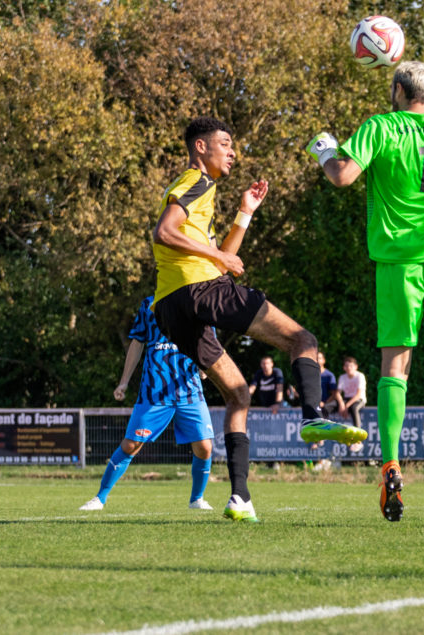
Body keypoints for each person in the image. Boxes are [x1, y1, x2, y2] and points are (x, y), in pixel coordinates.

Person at [152, 116, 367, 523]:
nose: (233, 152)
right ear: (201, 147)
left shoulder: (202, 194)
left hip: (170, 307)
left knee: (238, 395)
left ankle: (240, 498)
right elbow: (165, 233)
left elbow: (222, 257)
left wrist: (245, 213)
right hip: (198, 290)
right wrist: (218, 257)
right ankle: (312, 418)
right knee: (303, 340)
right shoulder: (195, 182)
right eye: (226, 144)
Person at [306, 61, 424, 522]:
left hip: (397, 263)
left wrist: (325, 149)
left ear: (400, 91)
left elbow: (342, 176)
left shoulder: (380, 128)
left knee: (395, 364)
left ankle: (389, 463)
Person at [80, 295, 216, 512]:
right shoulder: (150, 304)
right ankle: (99, 498)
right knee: (131, 445)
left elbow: (207, 341)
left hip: (189, 390)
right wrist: (124, 382)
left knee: (205, 447)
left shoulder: (197, 301)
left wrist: (205, 367)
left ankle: (197, 499)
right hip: (154, 391)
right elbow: (137, 342)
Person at [336, 356, 367, 454]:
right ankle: (321, 437)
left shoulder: (360, 376)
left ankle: (358, 440)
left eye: (351, 366)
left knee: (354, 409)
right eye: (347, 366)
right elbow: (337, 393)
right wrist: (341, 404)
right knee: (329, 407)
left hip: (359, 399)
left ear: (356, 367)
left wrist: (347, 406)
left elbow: (358, 394)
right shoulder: (342, 377)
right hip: (346, 399)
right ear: (344, 368)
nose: (349, 368)